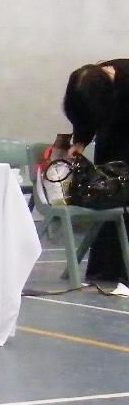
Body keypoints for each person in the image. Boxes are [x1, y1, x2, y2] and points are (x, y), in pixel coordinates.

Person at [63, 59, 129, 285]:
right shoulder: (88, 83)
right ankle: (106, 270)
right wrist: (80, 142)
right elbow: (86, 113)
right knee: (107, 196)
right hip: (110, 143)